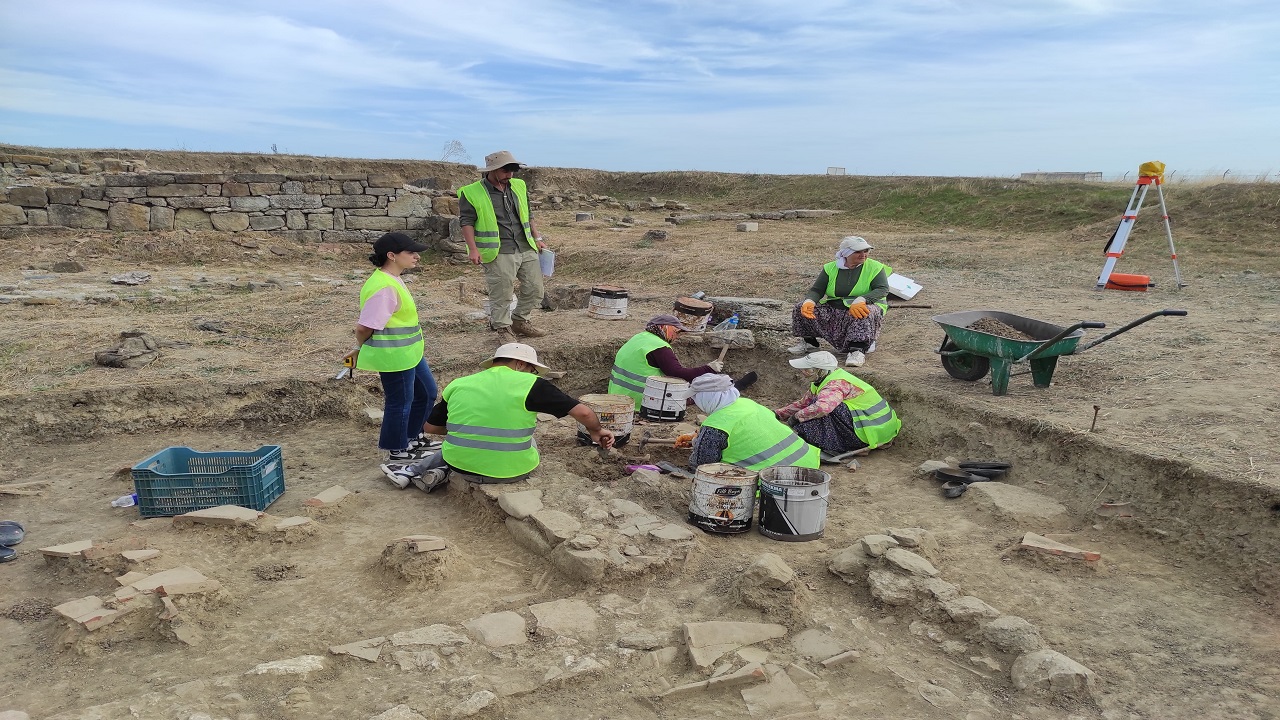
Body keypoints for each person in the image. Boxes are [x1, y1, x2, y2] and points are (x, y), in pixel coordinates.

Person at [380, 343, 615, 491]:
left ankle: (423, 471)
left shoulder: (459, 384)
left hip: (460, 465)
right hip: (510, 473)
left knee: (460, 443)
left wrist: (468, 432)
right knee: (528, 441)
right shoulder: (531, 384)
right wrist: (596, 431)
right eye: (532, 369)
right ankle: (435, 473)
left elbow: (430, 427)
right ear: (521, 364)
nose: (532, 374)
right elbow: (583, 412)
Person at [346, 232, 439, 465]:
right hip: (394, 357)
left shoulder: (392, 279)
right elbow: (364, 327)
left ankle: (412, 436)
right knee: (401, 401)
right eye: (411, 252)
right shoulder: (384, 287)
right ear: (391, 255)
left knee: (426, 393)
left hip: (410, 353)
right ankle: (397, 449)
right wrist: (360, 348)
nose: (417, 256)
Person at [459, 150, 548, 345]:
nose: (511, 174)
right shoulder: (472, 192)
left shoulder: (519, 186)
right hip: (498, 250)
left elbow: (528, 214)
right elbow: (466, 222)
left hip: (525, 245)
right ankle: (502, 328)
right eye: (507, 170)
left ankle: (519, 321)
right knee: (502, 292)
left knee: (535, 289)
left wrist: (537, 237)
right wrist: (473, 249)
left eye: (514, 169)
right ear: (493, 170)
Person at [788, 235, 892, 368]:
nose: (863, 255)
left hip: (866, 304)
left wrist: (862, 300)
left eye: (866, 251)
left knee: (862, 312)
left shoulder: (875, 267)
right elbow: (817, 290)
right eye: (858, 252)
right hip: (836, 306)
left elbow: (882, 289)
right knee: (800, 308)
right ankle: (810, 343)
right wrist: (810, 301)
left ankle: (857, 350)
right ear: (846, 253)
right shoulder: (830, 268)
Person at [775, 351, 901, 458]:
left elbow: (822, 408)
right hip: (879, 427)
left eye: (807, 370)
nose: (803, 372)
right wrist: (779, 414)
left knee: (820, 412)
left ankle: (837, 445)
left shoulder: (835, 384)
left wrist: (797, 417)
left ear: (820, 370)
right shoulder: (825, 380)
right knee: (814, 407)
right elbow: (804, 403)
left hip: (872, 431)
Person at [686, 374, 820, 471]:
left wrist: (699, 444)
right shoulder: (747, 403)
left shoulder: (714, 426)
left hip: (777, 479)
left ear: (705, 398)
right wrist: (700, 439)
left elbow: (702, 465)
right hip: (806, 462)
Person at [607, 314, 723, 409]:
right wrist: (709, 368)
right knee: (692, 396)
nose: (677, 336)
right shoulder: (659, 346)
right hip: (640, 401)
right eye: (676, 332)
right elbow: (677, 373)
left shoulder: (639, 337)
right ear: (665, 328)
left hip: (617, 397)